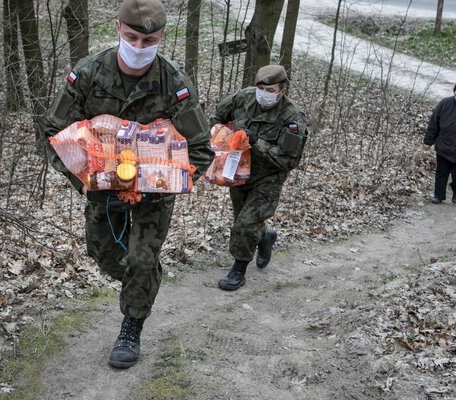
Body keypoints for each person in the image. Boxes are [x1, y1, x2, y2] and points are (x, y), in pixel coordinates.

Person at [43, 0, 214, 369]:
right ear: (119, 29)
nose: (139, 47)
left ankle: (131, 326)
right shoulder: (88, 74)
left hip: (154, 193)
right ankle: (145, 277)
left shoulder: (175, 84)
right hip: (102, 189)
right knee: (103, 256)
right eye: (132, 36)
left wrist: (166, 182)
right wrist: (86, 183)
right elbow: (54, 133)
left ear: (161, 37)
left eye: (148, 39)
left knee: (140, 256)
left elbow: (200, 150)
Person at [209, 65, 308, 291]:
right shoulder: (244, 97)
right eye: (260, 87)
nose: (263, 92)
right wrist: (219, 136)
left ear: (281, 91)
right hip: (239, 171)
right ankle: (265, 237)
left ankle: (238, 270)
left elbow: (288, 160)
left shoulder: (292, 118)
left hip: (269, 177)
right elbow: (218, 115)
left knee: (245, 224)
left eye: (270, 89)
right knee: (243, 220)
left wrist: (256, 143)